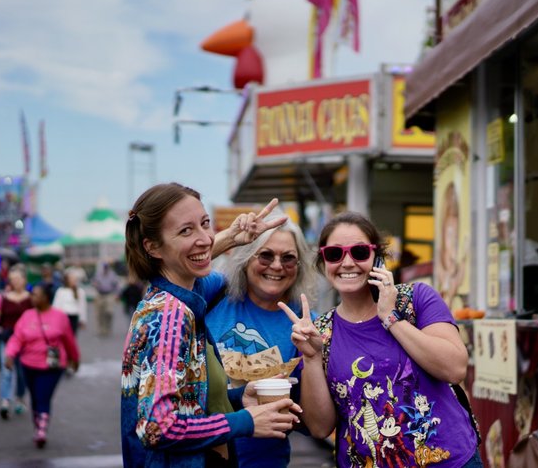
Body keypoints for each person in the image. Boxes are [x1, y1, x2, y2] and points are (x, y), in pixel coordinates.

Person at [281, 211, 481, 467]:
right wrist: (311, 358)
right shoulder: (319, 332)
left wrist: (390, 318)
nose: (348, 262)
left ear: (377, 257)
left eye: (360, 252)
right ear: (323, 262)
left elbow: (454, 369)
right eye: (335, 254)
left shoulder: (416, 299)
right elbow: (320, 428)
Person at [121, 183, 300, 467]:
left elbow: (188, 403)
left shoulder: (176, 297)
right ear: (152, 247)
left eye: (205, 224)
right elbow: (157, 427)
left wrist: (239, 396)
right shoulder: (171, 315)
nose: (204, 238)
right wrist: (245, 422)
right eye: (185, 230)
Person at [207, 212, 319, 468]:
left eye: (288, 258)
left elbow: (315, 425)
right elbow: (174, 269)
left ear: (299, 265)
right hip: (203, 458)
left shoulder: (306, 325)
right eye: (266, 255)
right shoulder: (214, 293)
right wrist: (230, 239)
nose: (277, 266)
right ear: (246, 259)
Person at [5, 283, 80, 448]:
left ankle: (42, 429)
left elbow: (69, 341)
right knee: (35, 397)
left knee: (43, 396)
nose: (32, 298)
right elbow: (17, 338)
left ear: (46, 297)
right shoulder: (27, 315)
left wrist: (75, 359)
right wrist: (10, 354)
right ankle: (38, 424)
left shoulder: (60, 317)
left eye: (36, 295)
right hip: (28, 364)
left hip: (52, 367)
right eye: (32, 295)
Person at [0, 267, 32, 419]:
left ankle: (20, 398)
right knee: (6, 371)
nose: (15, 282)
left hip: (25, 341)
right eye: (12, 279)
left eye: (18, 279)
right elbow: (1, 319)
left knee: (21, 372)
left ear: (24, 280)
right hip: (7, 339)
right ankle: (5, 400)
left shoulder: (30, 299)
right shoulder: (5, 298)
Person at [91, 261, 120, 337]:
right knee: (100, 313)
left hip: (109, 295)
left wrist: (117, 294)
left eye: (106, 267)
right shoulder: (98, 274)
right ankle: (102, 329)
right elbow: (93, 282)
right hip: (100, 295)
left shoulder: (112, 274)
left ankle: (108, 327)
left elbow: (116, 285)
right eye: (104, 267)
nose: (105, 269)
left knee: (109, 312)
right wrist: (95, 284)